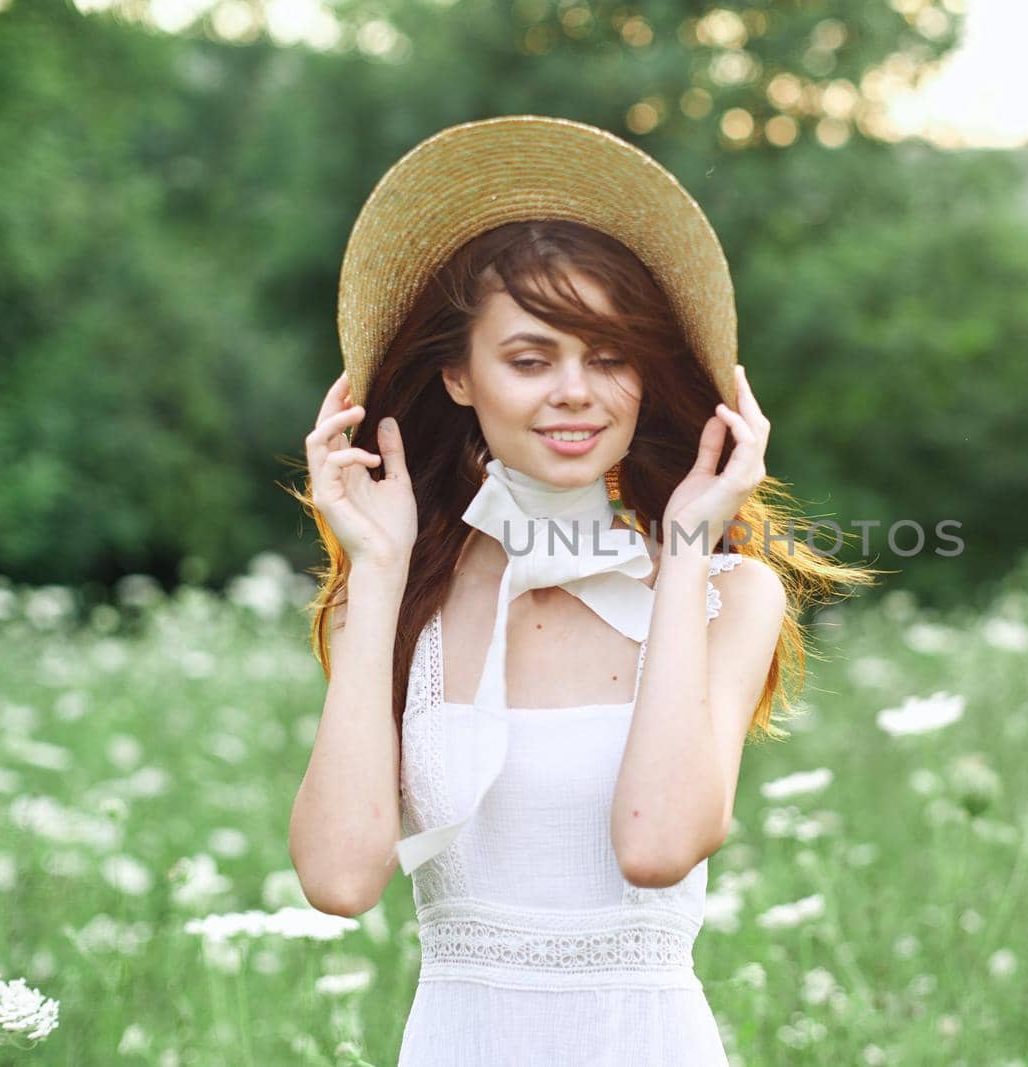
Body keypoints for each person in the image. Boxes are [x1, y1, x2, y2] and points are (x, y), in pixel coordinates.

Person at [287, 117, 876, 1065]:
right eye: (530, 360)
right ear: (458, 375)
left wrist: (683, 547)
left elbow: (658, 844)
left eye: (607, 356)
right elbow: (339, 879)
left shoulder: (732, 594)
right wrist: (380, 569)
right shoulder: (397, 601)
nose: (575, 391)